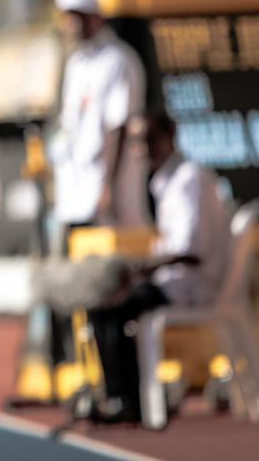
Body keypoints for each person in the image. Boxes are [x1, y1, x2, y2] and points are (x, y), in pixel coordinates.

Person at [86, 111, 233, 421]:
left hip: (192, 286)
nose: (142, 149)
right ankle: (124, 396)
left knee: (111, 305)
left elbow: (189, 251)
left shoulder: (188, 180)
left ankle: (125, 401)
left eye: (149, 139)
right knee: (105, 302)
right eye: (138, 142)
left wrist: (143, 269)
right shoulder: (170, 181)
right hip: (179, 281)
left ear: (169, 137)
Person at [49, 0, 148, 233]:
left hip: (113, 182)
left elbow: (119, 126)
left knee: (126, 250)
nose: (70, 25)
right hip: (79, 187)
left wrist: (108, 187)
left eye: (76, 17)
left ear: (94, 17)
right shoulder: (77, 63)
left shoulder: (117, 59)